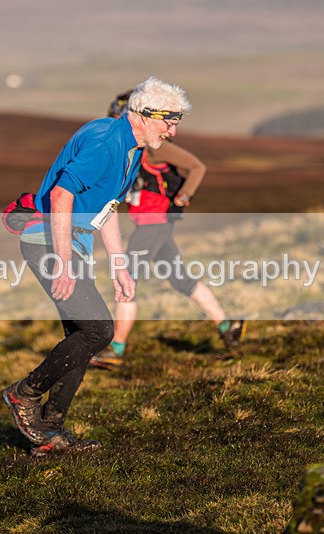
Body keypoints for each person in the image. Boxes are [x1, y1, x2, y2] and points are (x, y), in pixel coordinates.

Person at [2, 76, 191, 456]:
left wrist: (120, 267)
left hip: (73, 243)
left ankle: (51, 432)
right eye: (168, 121)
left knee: (82, 336)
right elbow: (60, 195)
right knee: (99, 330)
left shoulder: (132, 149)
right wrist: (64, 262)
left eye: (176, 123)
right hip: (49, 241)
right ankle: (24, 394)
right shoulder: (107, 140)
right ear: (143, 115)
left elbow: (107, 212)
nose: (172, 132)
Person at [89, 91, 245, 371]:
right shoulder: (131, 147)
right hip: (152, 224)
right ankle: (227, 324)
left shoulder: (155, 148)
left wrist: (183, 197)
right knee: (181, 280)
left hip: (154, 223)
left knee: (126, 283)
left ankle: (117, 349)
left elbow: (197, 167)